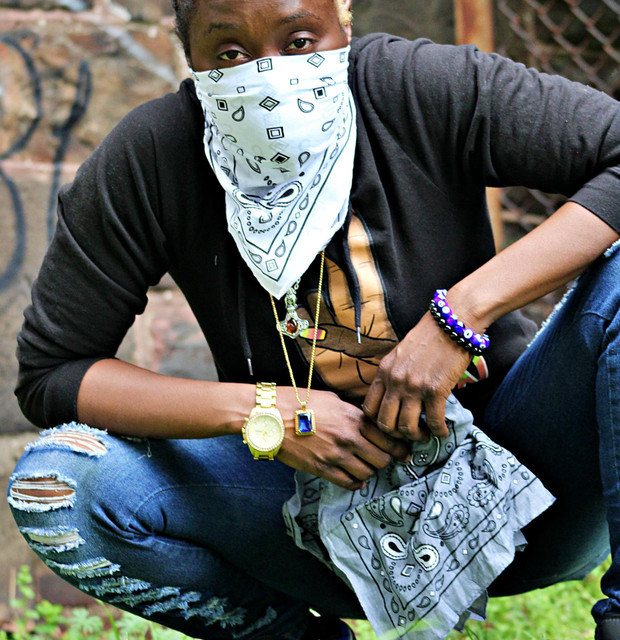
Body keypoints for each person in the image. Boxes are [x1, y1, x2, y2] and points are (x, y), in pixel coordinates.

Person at [6, 0, 620, 638]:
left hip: (530, 488)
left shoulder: (414, 87)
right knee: (58, 485)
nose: (268, 76)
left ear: (343, 16)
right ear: (189, 54)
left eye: (299, 40)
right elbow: (54, 371)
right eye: (230, 54)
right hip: (315, 520)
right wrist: (267, 413)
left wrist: (459, 315)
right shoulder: (154, 155)